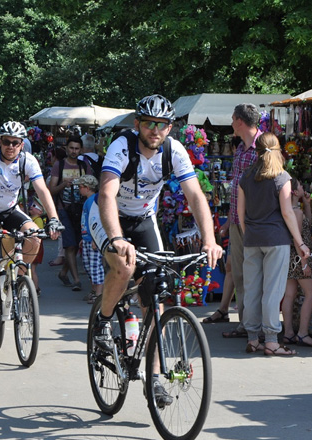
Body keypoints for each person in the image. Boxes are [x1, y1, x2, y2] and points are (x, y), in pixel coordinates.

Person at [89, 95, 221, 406]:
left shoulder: (174, 150)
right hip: (108, 216)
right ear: (137, 124)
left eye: (161, 125)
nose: (155, 130)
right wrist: (117, 238)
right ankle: (103, 321)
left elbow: (195, 195)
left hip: (144, 219)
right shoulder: (122, 146)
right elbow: (107, 193)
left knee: (155, 297)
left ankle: (155, 378)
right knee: (123, 267)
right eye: (149, 123)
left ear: (170, 128)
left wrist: (210, 239)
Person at [0, 121, 62, 342]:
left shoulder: (27, 161)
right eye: (6, 142)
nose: (10, 146)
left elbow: (42, 189)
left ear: (22, 145)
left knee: (34, 236)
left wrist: (53, 219)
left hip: (11, 211)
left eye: (15, 143)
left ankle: (19, 280)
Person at [238, 132, 310, 356]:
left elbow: (240, 213)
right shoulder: (282, 177)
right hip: (276, 240)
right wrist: (300, 243)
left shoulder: (246, 176)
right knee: (272, 290)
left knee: (252, 289)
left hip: (252, 240)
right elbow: (288, 213)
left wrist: (247, 233)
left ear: (256, 152)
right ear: (277, 150)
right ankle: (271, 340)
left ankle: (252, 338)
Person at [221, 103, 262, 339]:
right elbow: (235, 190)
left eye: (232, 118)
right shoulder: (240, 150)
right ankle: (245, 323)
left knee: (253, 274)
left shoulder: (262, 149)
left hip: (253, 222)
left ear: (239, 121)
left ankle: (252, 324)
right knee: (238, 273)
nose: (231, 123)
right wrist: (228, 221)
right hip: (236, 221)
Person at [280, 178, 312, 347]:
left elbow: (307, 226)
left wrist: (307, 204)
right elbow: (299, 240)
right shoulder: (295, 212)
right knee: (311, 294)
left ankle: (288, 332)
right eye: (300, 186)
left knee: (290, 294)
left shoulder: (292, 210)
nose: (303, 188)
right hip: (298, 257)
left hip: (289, 256)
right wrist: (304, 263)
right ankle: (303, 333)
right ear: (294, 192)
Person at [49, 135, 91, 291]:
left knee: (75, 245)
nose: (74, 151)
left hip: (81, 209)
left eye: (77, 148)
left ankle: (64, 272)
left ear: (81, 149)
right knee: (71, 245)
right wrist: (63, 185)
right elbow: (51, 190)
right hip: (64, 209)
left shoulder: (83, 165)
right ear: (66, 148)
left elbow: (91, 186)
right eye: (71, 148)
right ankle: (77, 280)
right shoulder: (59, 166)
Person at [75, 174, 104, 304]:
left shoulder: (93, 200)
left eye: (80, 187)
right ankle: (94, 291)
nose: (79, 190)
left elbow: (95, 220)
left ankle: (99, 294)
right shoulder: (88, 201)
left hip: (93, 239)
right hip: (87, 238)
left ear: (87, 187)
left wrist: (94, 238)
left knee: (95, 266)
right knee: (88, 265)